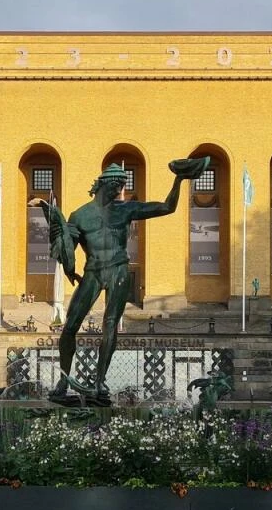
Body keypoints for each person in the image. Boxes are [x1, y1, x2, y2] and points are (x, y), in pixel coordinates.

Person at [34, 158, 208, 400]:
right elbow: (67, 246)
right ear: (103, 185)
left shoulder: (125, 209)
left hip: (118, 269)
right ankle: (64, 381)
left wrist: (179, 180)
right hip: (93, 272)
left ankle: (99, 382)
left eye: (121, 186)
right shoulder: (80, 215)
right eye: (116, 186)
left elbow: (167, 207)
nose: (119, 191)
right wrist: (60, 238)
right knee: (70, 327)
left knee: (110, 324)